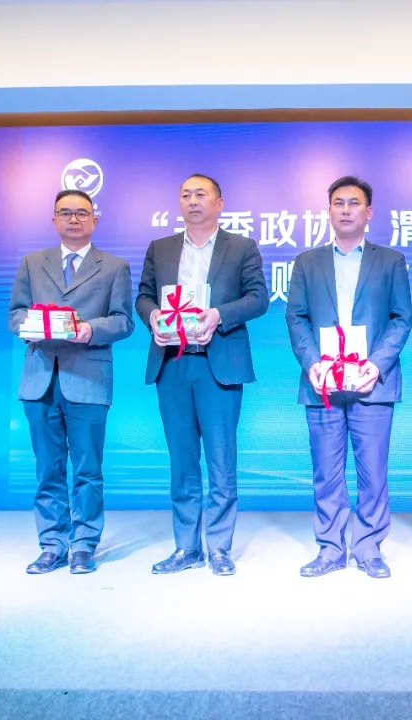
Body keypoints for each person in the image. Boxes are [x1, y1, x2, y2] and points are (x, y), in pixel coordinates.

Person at [136, 173, 269, 576]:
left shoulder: (241, 247)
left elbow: (258, 298)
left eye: (201, 194)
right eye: (185, 195)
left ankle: (220, 547)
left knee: (221, 460)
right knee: (182, 461)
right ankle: (186, 547)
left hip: (218, 363)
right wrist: (153, 317)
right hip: (172, 361)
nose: (192, 201)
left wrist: (219, 314)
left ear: (219, 203)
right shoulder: (160, 248)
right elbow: (143, 297)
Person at [285, 176, 412, 579]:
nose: (345, 210)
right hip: (321, 383)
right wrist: (312, 363)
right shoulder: (308, 262)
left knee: (372, 472)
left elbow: (401, 318)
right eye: (338, 203)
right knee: (326, 471)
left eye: (353, 203)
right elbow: (296, 317)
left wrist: (376, 364)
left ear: (368, 212)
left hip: (372, 383)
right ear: (328, 211)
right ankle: (330, 548)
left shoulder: (390, 261)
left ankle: (369, 548)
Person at [9, 188, 135, 575]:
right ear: (54, 220)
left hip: (89, 378)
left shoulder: (114, 266)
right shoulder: (32, 263)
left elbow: (124, 321)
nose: (74, 219)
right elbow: (15, 314)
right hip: (40, 379)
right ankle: (51, 543)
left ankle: (83, 544)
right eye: (65, 212)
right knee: (47, 468)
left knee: (87, 469)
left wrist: (89, 329)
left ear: (95, 219)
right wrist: (32, 325)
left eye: (82, 212)